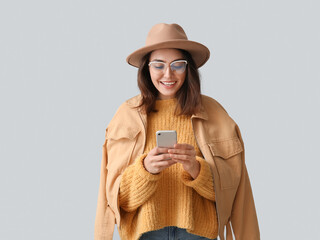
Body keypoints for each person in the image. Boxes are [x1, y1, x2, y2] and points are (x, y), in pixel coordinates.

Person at [95, 23, 260, 240]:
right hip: (145, 235)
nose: (168, 73)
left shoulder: (215, 113)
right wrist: (145, 170)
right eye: (158, 65)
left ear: (188, 68)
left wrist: (196, 170)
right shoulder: (126, 115)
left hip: (199, 234)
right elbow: (118, 200)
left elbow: (233, 193)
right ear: (147, 68)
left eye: (178, 65)